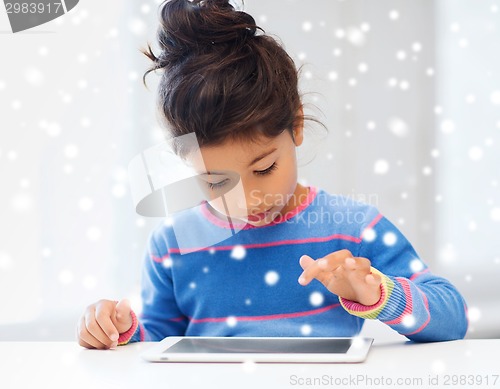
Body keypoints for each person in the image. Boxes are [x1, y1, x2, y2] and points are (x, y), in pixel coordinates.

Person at [76, 0, 468, 350]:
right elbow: (159, 340)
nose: (247, 200)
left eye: (264, 168)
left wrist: (378, 294)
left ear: (295, 124)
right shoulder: (174, 245)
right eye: (216, 181)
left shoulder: (352, 228)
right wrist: (120, 331)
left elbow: (453, 318)